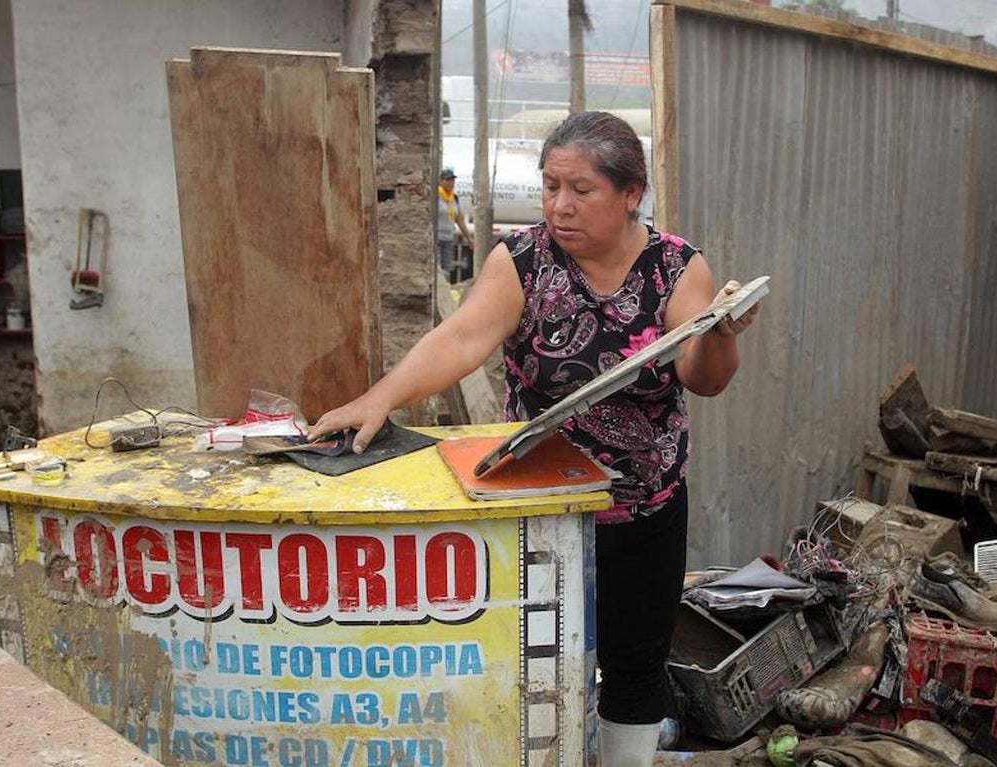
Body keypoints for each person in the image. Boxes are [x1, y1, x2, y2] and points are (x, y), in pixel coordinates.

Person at [310, 111, 760, 767]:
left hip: (644, 510)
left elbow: (704, 375)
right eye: (550, 186)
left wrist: (720, 331)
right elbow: (462, 338)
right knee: (532, 658)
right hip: (541, 510)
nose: (559, 205)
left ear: (630, 193)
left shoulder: (674, 267)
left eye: (581, 189)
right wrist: (379, 397)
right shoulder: (523, 261)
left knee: (634, 666)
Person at [436, 166, 473, 282]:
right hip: (436, 238)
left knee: (447, 268)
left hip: (448, 238)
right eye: (447, 180)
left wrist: (469, 238)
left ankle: (445, 292)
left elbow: (459, 219)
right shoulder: (436, 196)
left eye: (452, 180)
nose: (450, 183)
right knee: (436, 268)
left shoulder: (454, 198)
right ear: (441, 181)